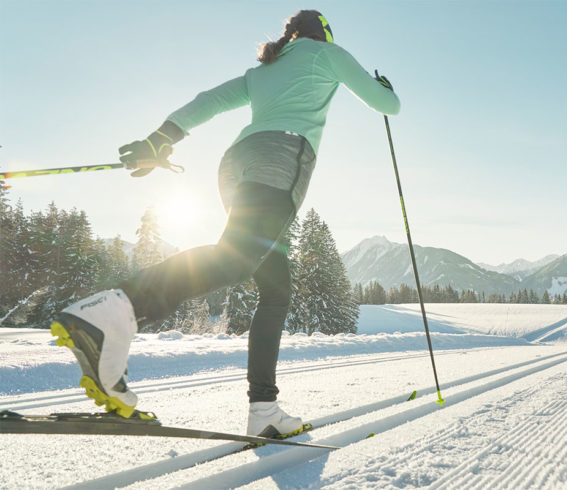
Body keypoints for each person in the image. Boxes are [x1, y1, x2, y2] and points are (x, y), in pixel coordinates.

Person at [50, 9, 400, 437]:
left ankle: (264, 409)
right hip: (281, 159)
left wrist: (161, 138)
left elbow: (209, 100)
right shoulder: (327, 54)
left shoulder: (264, 70)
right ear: (321, 34)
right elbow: (388, 106)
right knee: (234, 259)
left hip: (236, 165)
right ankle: (115, 308)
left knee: (274, 288)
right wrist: (384, 86)